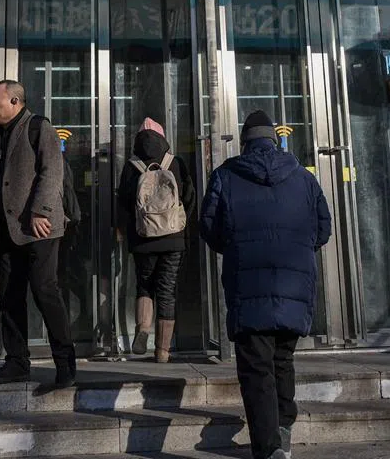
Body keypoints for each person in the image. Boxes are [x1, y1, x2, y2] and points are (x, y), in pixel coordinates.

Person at [200, 110, 332, 459]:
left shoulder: (226, 175)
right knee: (283, 359)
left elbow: (210, 228)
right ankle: (284, 426)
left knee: (257, 369)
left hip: (248, 285)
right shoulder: (304, 178)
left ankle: (269, 447)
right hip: (294, 286)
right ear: (274, 139)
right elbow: (324, 228)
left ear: (245, 142)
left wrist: (236, 244)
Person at [0, 80, 76, 387]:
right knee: (10, 295)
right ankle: (17, 362)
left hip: (41, 226)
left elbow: (53, 171)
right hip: (9, 227)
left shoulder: (39, 126)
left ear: (15, 102)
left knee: (44, 289)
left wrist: (41, 210)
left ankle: (65, 363)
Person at [116, 117, 195, 363]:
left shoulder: (132, 166)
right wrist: (179, 225)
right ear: (163, 139)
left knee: (145, 284)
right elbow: (189, 198)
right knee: (167, 290)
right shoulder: (176, 163)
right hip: (173, 237)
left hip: (143, 237)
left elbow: (125, 203)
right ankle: (162, 351)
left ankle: (142, 329)